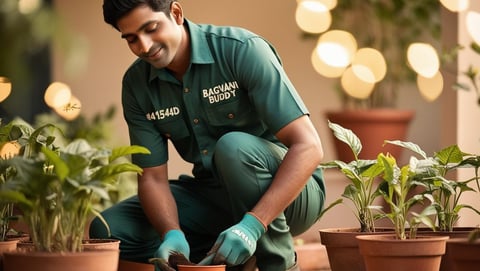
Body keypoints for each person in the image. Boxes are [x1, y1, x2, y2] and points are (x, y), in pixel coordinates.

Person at [90, 1, 326, 270]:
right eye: (131, 38)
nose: (144, 46)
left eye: (151, 28)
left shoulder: (242, 50)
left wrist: (253, 224)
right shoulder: (136, 85)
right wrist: (172, 233)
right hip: (213, 195)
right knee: (109, 229)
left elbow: (309, 147)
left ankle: (277, 262)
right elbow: (153, 178)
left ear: (176, 14)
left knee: (233, 148)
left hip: (291, 194)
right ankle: (222, 257)